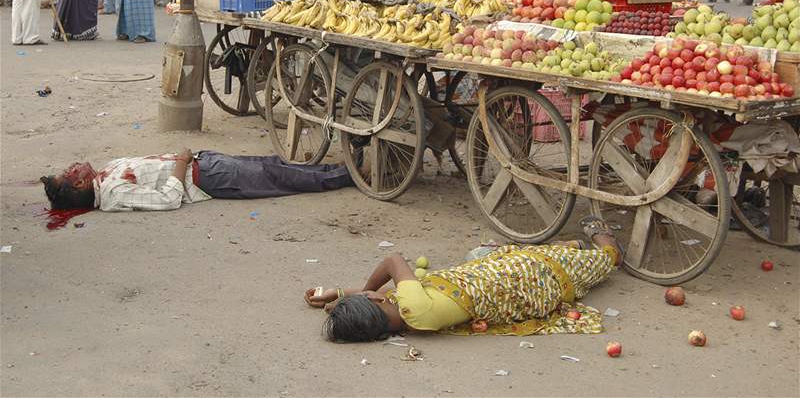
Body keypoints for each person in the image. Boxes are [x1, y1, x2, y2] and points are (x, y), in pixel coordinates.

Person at [307, 218, 622, 342]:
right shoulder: (413, 306)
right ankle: (608, 245)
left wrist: (338, 292)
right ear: (374, 301)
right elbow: (392, 262)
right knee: (596, 264)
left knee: (483, 254)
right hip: (525, 277)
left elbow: (394, 292)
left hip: (490, 278)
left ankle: (569, 249)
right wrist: (363, 289)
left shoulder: (407, 318)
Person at [41, 149, 353, 213]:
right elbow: (166, 200)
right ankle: (347, 176)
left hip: (205, 162)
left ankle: (340, 170)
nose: (74, 165)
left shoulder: (105, 173)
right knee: (279, 176)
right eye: (71, 171)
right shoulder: (113, 192)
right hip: (207, 177)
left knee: (271, 164)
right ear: (80, 185)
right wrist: (180, 163)